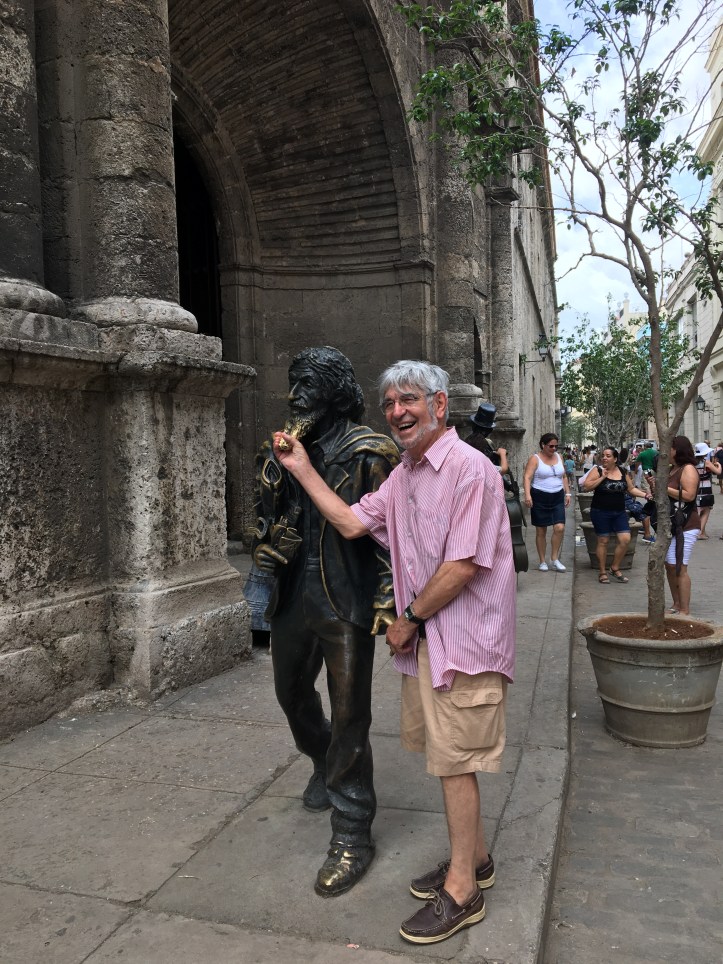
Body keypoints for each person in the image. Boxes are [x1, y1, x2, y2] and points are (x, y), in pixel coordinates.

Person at [273, 359, 515, 945]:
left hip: (464, 642)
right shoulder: (405, 476)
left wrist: (407, 619)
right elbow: (351, 523)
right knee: (448, 754)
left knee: (456, 762)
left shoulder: (471, 469)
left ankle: (463, 891)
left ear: (439, 405)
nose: (398, 411)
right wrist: (301, 467)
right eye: (389, 403)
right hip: (433, 642)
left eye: (409, 399)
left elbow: (462, 565)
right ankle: (476, 858)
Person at [252, 346, 399, 897]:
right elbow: (263, 520)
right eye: (293, 385)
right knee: (291, 693)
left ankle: (352, 830)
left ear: (335, 393)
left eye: (306, 386)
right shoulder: (285, 450)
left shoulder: (369, 453)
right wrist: (265, 545)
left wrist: (388, 600)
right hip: (295, 592)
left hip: (345, 596)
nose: (294, 397)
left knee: (350, 713)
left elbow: (391, 535)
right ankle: (322, 759)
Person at [581, 447, 651, 583]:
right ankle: (602, 572)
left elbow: (631, 489)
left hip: (619, 512)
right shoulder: (598, 470)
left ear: (615, 459)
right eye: (603, 455)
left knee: (625, 539)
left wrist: (645, 495)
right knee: (603, 541)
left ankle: (614, 567)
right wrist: (602, 477)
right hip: (600, 511)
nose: (604, 458)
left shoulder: (622, 471)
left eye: (608, 456)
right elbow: (586, 487)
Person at [523, 433, 571, 571]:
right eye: (551, 446)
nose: (554, 449)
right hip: (540, 496)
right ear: (543, 445)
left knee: (559, 527)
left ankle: (554, 558)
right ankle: (542, 561)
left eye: (556, 446)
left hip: (557, 496)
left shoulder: (559, 457)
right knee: (541, 530)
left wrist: (567, 492)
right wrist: (527, 495)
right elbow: (527, 477)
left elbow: (564, 476)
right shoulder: (535, 458)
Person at [665, 436, 701, 615]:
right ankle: (677, 603)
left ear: (677, 450)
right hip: (673, 524)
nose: (666, 451)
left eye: (669, 448)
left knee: (680, 566)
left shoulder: (688, 469)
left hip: (686, 524)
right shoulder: (672, 469)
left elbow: (689, 495)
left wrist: (663, 488)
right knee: (670, 565)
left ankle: (684, 610)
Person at [693, 442, 722, 539]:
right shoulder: (707, 463)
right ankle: (700, 532)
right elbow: (718, 472)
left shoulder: (692, 463)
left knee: (698, 510)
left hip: (696, 487)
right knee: (706, 510)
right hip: (706, 488)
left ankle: (702, 532)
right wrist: (718, 465)